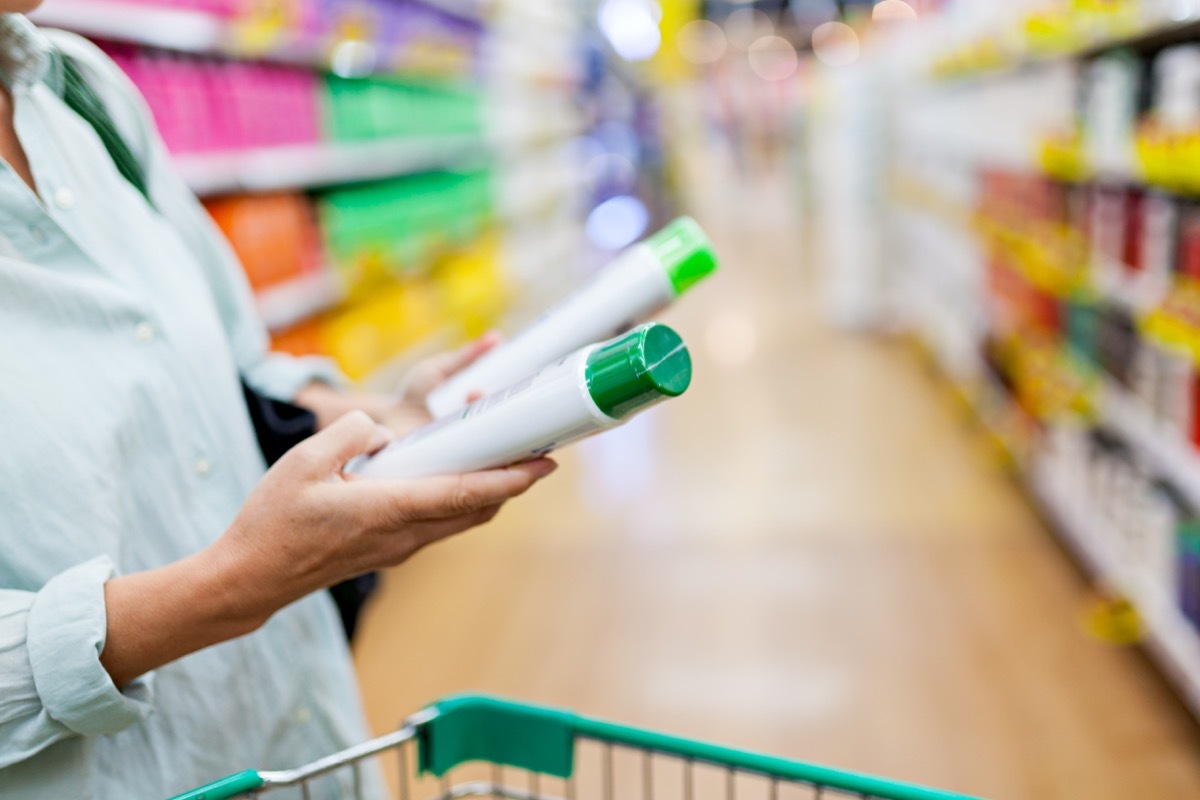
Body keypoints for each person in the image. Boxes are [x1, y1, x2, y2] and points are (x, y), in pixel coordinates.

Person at [0, 6, 555, 798]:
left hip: (297, 748)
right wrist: (234, 585)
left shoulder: (77, 87)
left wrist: (370, 418)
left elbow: (232, 357)